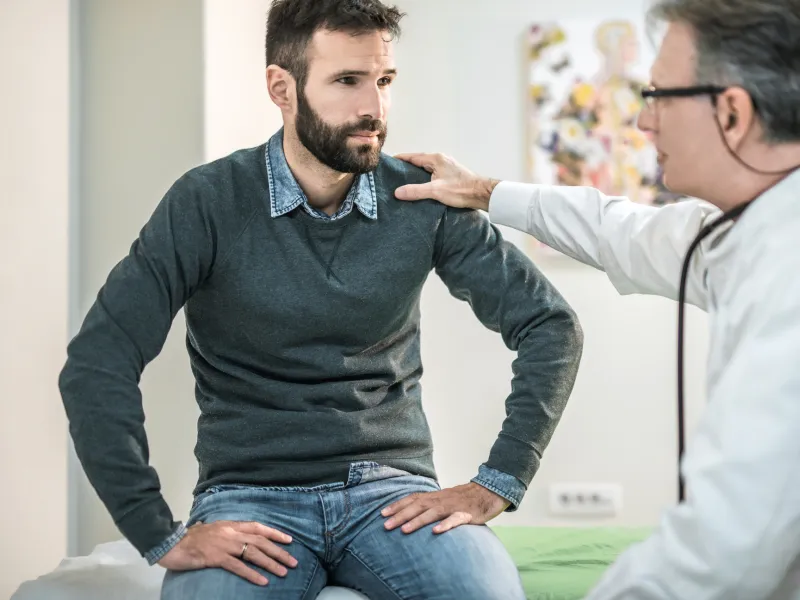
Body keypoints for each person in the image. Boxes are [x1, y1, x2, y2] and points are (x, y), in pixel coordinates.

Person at [59, 0, 584, 598]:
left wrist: (500, 481)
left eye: (384, 80)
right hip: (250, 497)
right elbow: (98, 363)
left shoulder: (424, 202)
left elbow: (550, 325)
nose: (374, 108)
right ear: (282, 89)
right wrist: (158, 533)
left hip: (390, 492)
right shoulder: (205, 203)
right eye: (347, 81)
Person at [394, 0, 800, 598]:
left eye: (659, 96)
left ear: (732, 113)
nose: (643, 123)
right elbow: (616, 228)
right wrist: (479, 189)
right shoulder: (740, 233)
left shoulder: (786, 274)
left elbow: (722, 551)